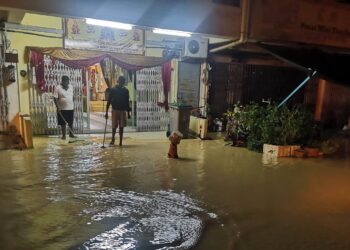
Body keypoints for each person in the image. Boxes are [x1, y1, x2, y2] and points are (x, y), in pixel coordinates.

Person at [105, 76, 131, 146]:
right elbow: (109, 101)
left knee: (121, 127)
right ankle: (113, 139)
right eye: (121, 81)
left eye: (123, 81)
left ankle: (120, 142)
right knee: (114, 126)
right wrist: (106, 112)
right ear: (118, 81)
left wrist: (128, 113)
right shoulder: (113, 90)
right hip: (115, 110)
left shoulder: (126, 91)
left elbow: (127, 102)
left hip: (122, 111)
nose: (122, 82)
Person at [54, 75, 75, 140]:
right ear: (62, 81)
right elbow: (55, 98)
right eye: (65, 81)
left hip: (70, 108)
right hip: (62, 109)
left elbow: (72, 96)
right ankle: (64, 136)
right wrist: (58, 107)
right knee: (63, 123)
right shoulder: (58, 87)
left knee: (70, 122)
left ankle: (71, 134)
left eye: (67, 81)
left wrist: (72, 103)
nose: (66, 83)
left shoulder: (71, 87)